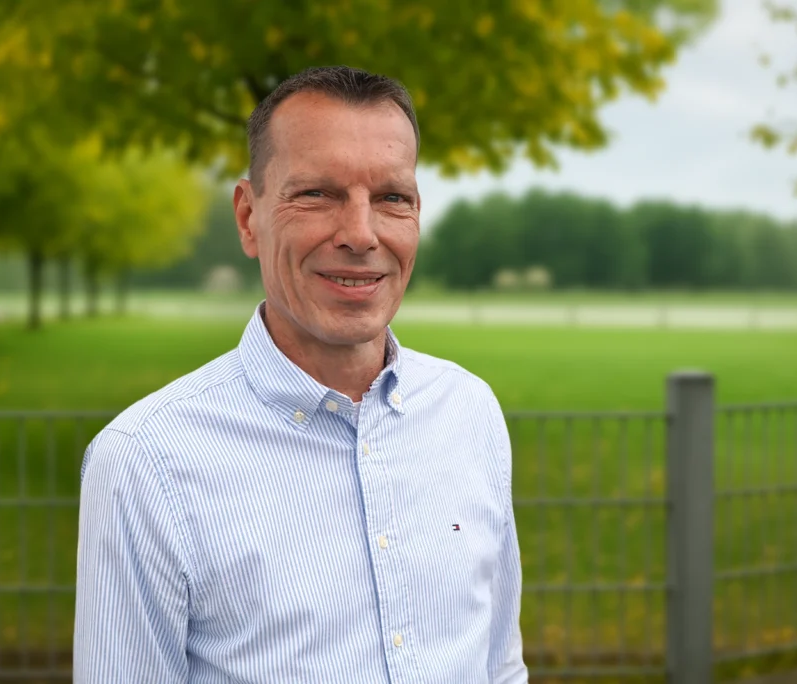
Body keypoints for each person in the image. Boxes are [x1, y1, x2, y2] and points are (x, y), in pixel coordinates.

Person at [74, 65, 528, 683]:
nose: (361, 235)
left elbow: (499, 664)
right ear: (247, 217)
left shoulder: (468, 411)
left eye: (392, 198)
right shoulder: (146, 463)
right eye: (318, 194)